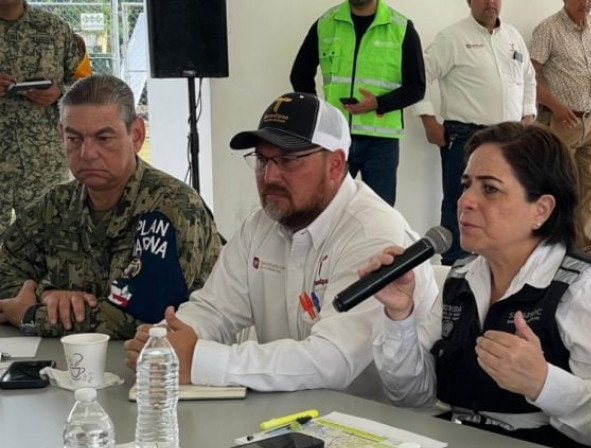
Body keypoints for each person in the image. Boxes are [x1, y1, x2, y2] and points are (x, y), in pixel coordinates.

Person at [124, 92, 436, 398]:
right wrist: (167, 340)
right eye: (262, 159)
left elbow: (331, 362)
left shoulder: (372, 232)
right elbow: (215, 310)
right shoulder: (260, 225)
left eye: (288, 160)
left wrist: (198, 360)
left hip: (380, 429)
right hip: (293, 418)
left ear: (335, 165)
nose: (269, 175)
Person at [363, 122, 591, 448]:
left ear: (541, 210)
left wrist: (544, 383)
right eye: (466, 185)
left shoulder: (585, 289)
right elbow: (410, 396)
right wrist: (400, 316)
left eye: (490, 190)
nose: (465, 201)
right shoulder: (463, 277)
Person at [0, 75, 221, 339]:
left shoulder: (172, 206)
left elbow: (147, 314)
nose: (87, 153)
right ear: (61, 135)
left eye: (104, 139)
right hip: (70, 363)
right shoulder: (56, 204)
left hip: (159, 366)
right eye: (74, 139)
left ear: (136, 135)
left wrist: (30, 315)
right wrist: (45, 295)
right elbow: (5, 267)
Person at [411, 0, 536, 265]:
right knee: (462, 204)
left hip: (509, 139)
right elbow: (419, 75)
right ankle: (454, 271)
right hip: (466, 138)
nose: (490, 3)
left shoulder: (513, 38)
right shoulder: (452, 38)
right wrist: (428, 119)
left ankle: (497, 265)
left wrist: (528, 115)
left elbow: (528, 78)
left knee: (506, 201)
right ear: (469, 2)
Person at [289, 0, 425, 206]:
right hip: (336, 138)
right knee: (328, 211)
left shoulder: (401, 27)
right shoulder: (326, 23)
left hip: (381, 142)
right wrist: (319, 116)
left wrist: (379, 103)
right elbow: (299, 75)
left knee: (380, 214)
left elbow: (417, 87)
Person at [530, 0, 591, 256]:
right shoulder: (548, 29)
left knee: (590, 187)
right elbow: (527, 77)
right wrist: (556, 107)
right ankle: (554, 251)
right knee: (557, 188)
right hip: (558, 122)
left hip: (590, 119)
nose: (586, 4)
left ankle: (584, 250)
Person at [0, 0, 81, 233]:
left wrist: (59, 93)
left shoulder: (54, 29)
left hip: (42, 164)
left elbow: (84, 85)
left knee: (49, 243)